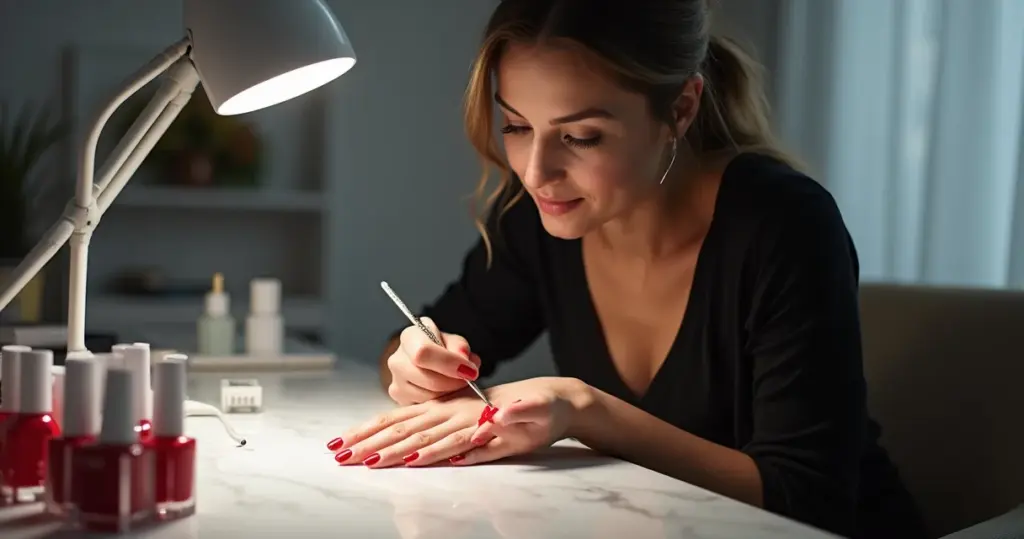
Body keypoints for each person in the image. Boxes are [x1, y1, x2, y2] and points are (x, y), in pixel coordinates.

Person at [326, 1, 928, 537]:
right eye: (515, 126)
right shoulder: (538, 217)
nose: (536, 172)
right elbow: (416, 342)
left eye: (582, 136)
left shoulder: (786, 224)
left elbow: (807, 500)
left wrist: (587, 411)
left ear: (682, 108)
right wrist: (416, 363)